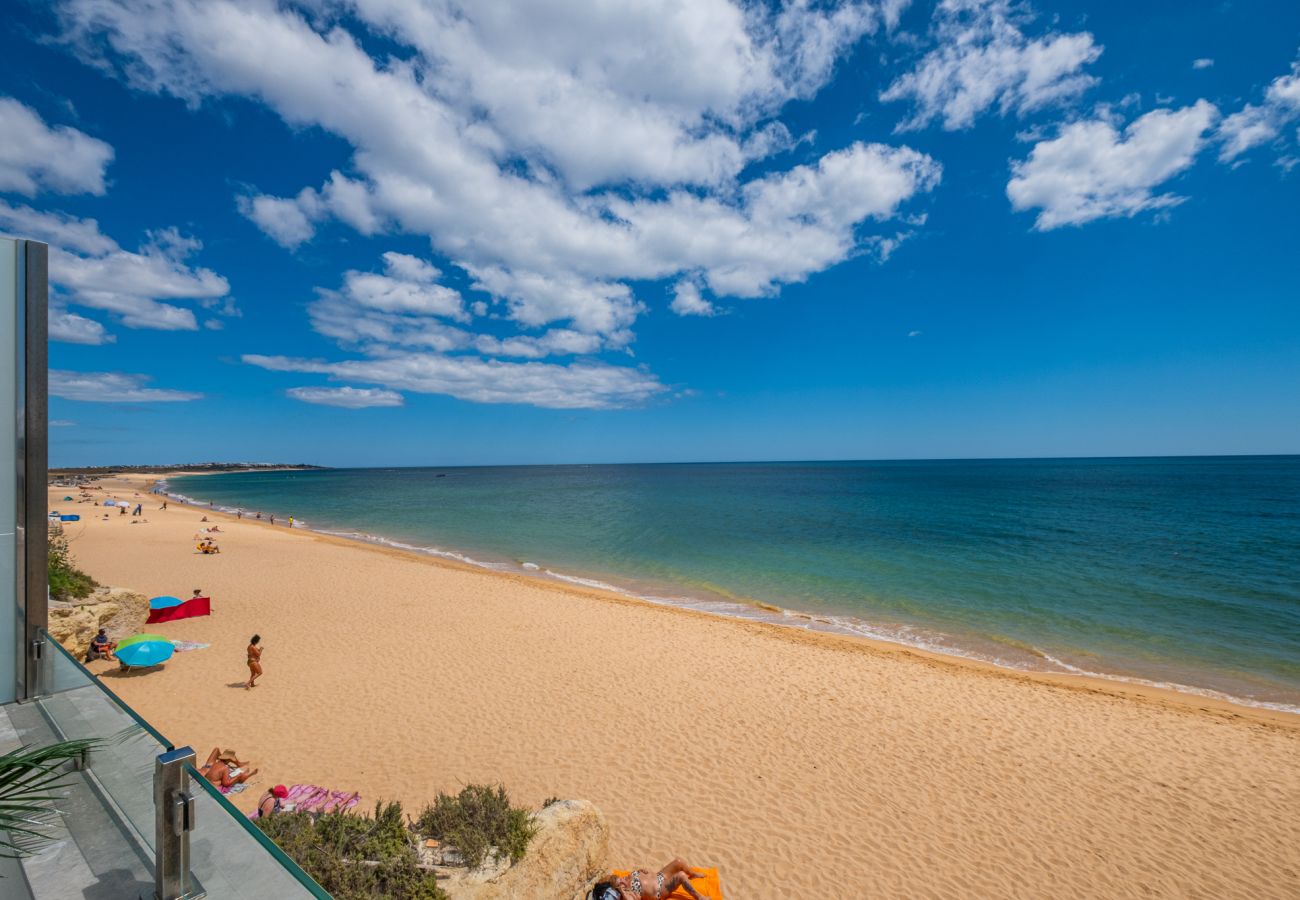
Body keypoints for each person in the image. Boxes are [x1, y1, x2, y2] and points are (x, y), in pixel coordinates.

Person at [591, 859, 707, 900]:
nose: (622, 879)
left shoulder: (628, 877)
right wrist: (622, 890)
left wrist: (641, 871)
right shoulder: (628, 892)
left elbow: (641, 873)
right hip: (661, 889)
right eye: (620, 883)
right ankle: (699, 897)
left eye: (621, 878)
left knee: (678, 862)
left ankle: (693, 873)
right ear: (619, 888)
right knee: (681, 875)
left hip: (660, 876)